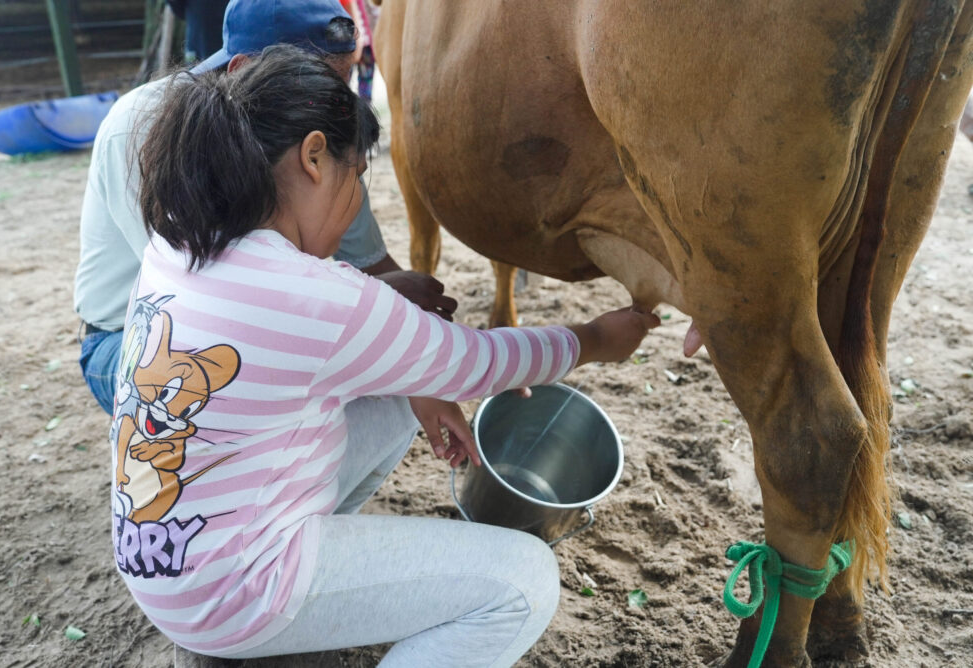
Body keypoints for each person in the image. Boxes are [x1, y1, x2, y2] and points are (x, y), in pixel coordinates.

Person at [110, 45, 660, 666]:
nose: (354, 206)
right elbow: (477, 363)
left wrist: (404, 351)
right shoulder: (319, 298)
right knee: (523, 584)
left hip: (163, 555)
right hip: (231, 593)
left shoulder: (180, 233)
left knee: (404, 389)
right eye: (358, 176)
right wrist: (593, 340)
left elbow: (319, 327)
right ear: (314, 156)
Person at [74, 0, 454, 418]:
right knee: (324, 361)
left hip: (238, 320)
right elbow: (211, 303)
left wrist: (418, 343)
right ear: (243, 70)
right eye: (320, 82)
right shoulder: (146, 129)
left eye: (344, 79)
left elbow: (369, 260)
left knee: (392, 358)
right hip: (139, 339)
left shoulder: (321, 134)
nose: (339, 102)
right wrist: (378, 306)